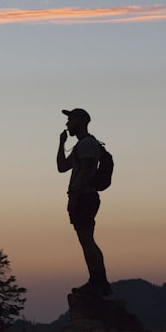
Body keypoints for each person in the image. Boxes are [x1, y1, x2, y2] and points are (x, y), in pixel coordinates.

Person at [57, 108, 110, 296]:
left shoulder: (87, 144)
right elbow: (62, 167)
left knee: (87, 241)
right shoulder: (82, 145)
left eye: (70, 120)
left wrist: (74, 198)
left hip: (84, 198)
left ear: (79, 121)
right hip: (85, 197)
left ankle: (98, 281)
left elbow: (86, 172)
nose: (67, 124)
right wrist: (61, 143)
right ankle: (99, 280)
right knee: (88, 241)